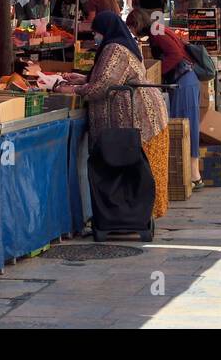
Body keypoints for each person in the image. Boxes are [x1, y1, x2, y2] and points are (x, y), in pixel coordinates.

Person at [56, 11, 170, 218]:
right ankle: (137, 218)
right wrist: (83, 79)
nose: (95, 37)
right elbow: (111, 77)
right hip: (145, 115)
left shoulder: (114, 48)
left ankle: (138, 217)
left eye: (96, 32)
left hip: (141, 118)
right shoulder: (122, 43)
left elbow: (103, 86)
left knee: (140, 174)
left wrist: (72, 90)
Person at [128, 8, 202, 188]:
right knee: (187, 126)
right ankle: (192, 174)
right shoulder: (158, 30)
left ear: (138, 24)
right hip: (186, 81)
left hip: (184, 81)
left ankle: (193, 175)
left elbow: (175, 55)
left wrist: (156, 73)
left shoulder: (156, 34)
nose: (131, 32)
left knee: (185, 127)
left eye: (131, 27)